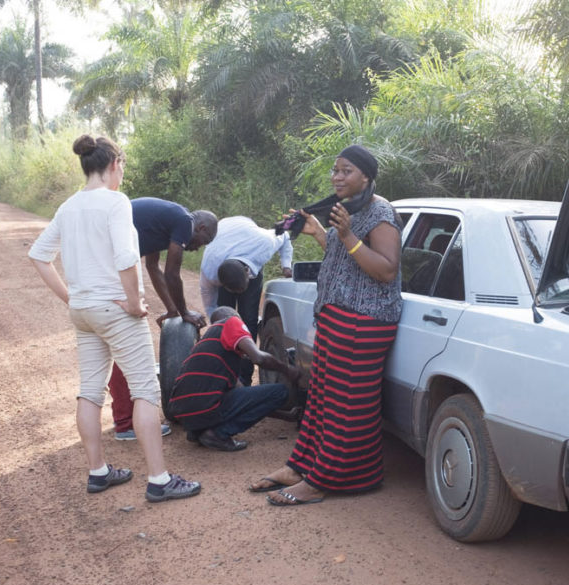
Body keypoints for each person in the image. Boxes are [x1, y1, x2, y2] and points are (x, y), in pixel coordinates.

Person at [28, 134, 201, 503]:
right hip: (115, 309)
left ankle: (99, 472)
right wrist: (134, 302)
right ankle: (159, 479)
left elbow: (40, 256)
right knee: (145, 390)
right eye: (121, 166)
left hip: (84, 311)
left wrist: (70, 297)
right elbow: (126, 258)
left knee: (90, 389)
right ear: (113, 165)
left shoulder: (68, 206)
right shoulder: (116, 202)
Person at [248, 144, 402, 506]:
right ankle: (302, 466)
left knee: (347, 405)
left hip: (365, 321)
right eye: (335, 170)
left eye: (346, 170)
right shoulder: (347, 211)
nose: (337, 176)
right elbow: (345, 259)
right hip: (337, 318)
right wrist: (319, 232)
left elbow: (386, 269)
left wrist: (347, 236)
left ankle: (325, 479)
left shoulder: (380, 212)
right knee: (320, 399)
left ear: (366, 175)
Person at [108, 197, 218, 440]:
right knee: (131, 349)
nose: (198, 247)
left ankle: (125, 418)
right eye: (203, 241)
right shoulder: (183, 221)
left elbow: (152, 267)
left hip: (106, 265)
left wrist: (172, 310)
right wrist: (185, 313)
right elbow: (171, 274)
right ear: (200, 228)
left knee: (118, 349)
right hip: (111, 271)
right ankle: (127, 423)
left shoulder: (164, 222)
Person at [167, 306, 300, 451]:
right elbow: (258, 357)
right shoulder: (232, 322)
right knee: (280, 392)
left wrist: (286, 416)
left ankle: (198, 431)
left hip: (184, 412)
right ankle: (218, 433)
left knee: (226, 400)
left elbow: (248, 402)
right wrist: (287, 370)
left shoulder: (209, 346)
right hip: (203, 406)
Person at [199, 215, 294, 385]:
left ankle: (245, 378)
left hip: (247, 237)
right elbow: (210, 304)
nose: (239, 292)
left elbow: (284, 235)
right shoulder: (210, 271)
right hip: (222, 246)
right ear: (222, 283)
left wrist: (286, 266)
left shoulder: (265, 244)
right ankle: (227, 376)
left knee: (248, 322)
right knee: (224, 324)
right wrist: (216, 324)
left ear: (246, 272)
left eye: (241, 288)